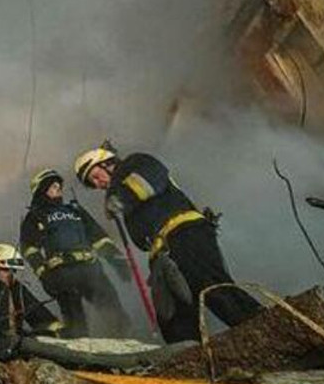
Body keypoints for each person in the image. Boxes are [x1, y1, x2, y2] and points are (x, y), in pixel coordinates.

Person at [74, 145, 261, 342]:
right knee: (171, 313)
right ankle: (188, 356)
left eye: (96, 176)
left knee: (211, 287)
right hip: (162, 254)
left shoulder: (134, 163)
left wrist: (120, 199)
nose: (98, 184)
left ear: (107, 163)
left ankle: (262, 327)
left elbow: (149, 180)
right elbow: (140, 241)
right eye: (93, 183)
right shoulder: (120, 192)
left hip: (185, 233)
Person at [18, 168, 131, 338]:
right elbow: (29, 249)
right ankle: (80, 353)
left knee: (113, 310)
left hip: (91, 269)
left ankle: (127, 345)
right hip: (62, 274)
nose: (59, 189)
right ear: (42, 190)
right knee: (75, 321)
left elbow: (98, 237)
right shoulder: (34, 216)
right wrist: (43, 274)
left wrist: (116, 259)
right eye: (53, 186)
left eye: (59, 186)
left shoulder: (75, 210)